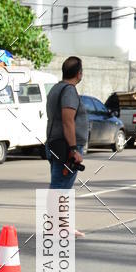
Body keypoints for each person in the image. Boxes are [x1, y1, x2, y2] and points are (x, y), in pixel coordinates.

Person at [45, 56, 88, 236]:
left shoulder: (56, 88)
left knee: (61, 187)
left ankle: (62, 226)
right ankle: (57, 227)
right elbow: (67, 120)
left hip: (56, 144)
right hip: (65, 147)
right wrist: (73, 149)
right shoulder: (69, 91)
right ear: (79, 74)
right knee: (60, 187)